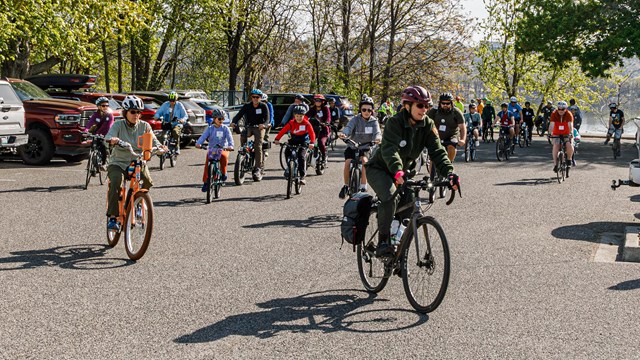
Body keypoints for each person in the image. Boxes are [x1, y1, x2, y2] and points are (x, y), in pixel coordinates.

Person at [366, 86, 457, 257]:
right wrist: (397, 170)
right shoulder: (394, 122)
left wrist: (449, 173)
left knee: (408, 210)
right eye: (420, 106)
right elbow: (389, 150)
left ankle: (399, 252)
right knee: (390, 197)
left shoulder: (428, 124)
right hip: (381, 169)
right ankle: (383, 242)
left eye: (427, 106)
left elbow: (437, 151)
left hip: (405, 172)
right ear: (407, 106)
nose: (424, 110)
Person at [104, 95, 166, 231]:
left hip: (137, 162)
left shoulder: (145, 126)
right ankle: (113, 218)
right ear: (125, 112)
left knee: (147, 181)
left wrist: (161, 148)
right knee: (115, 182)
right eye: (133, 112)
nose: (136, 115)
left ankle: (138, 201)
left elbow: (154, 141)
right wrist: (112, 140)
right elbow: (108, 137)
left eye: (138, 112)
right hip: (118, 162)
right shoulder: (118, 125)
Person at [338, 95, 381, 198]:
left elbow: (377, 132)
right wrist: (344, 134)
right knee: (348, 163)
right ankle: (346, 186)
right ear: (360, 110)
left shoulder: (374, 121)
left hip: (365, 147)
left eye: (369, 110)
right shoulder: (355, 119)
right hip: (352, 146)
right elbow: (348, 128)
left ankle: (363, 185)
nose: (366, 112)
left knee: (365, 161)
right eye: (364, 109)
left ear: (372, 111)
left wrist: (378, 138)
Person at [230, 89, 270, 179]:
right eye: (253, 97)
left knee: (258, 146)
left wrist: (264, 125)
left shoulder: (263, 106)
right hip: (249, 126)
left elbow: (267, 119)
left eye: (257, 97)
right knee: (243, 135)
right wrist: (234, 122)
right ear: (251, 97)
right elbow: (239, 115)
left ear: (260, 98)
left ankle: (258, 168)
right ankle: (243, 154)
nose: (255, 99)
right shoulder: (247, 106)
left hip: (259, 127)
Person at [274, 105, 316, 185]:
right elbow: (283, 130)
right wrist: (277, 139)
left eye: (301, 116)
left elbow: (312, 133)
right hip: (293, 140)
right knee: (287, 152)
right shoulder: (291, 123)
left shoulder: (307, 123)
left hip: (304, 140)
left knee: (301, 156)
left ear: (304, 116)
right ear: (294, 116)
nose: (299, 118)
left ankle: (302, 176)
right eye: (297, 116)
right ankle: (289, 168)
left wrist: (312, 142)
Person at [195, 106, 234, 191]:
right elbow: (203, 137)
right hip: (212, 149)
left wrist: (230, 146)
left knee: (223, 157)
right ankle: (206, 182)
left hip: (223, 148)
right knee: (207, 163)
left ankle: (224, 173)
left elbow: (230, 138)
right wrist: (198, 143)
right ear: (214, 119)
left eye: (222, 119)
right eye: (219, 119)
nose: (221, 121)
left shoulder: (225, 128)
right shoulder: (210, 128)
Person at [427, 92, 466, 162]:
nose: (445, 105)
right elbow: (425, 124)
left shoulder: (456, 112)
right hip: (436, 135)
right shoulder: (434, 111)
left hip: (452, 135)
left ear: (451, 103)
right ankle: (432, 172)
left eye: (448, 103)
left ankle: (448, 165)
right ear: (440, 103)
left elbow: (462, 127)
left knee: (451, 146)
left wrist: (463, 139)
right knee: (433, 158)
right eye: (443, 103)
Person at [84, 96, 115, 171]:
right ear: (98, 106)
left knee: (103, 147)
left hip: (105, 134)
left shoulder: (109, 115)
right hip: (96, 134)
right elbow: (90, 124)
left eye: (107, 105)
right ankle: (91, 163)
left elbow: (109, 126)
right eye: (103, 105)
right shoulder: (95, 115)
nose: (105, 107)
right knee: (93, 145)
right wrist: (86, 131)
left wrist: (106, 135)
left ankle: (104, 163)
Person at [548, 101, 574, 173]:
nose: (561, 111)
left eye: (563, 109)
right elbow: (551, 125)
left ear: (566, 109)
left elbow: (570, 125)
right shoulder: (554, 113)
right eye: (559, 109)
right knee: (556, 145)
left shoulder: (569, 114)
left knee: (569, 145)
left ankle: (569, 160)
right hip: (557, 133)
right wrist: (549, 133)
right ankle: (555, 165)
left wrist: (571, 133)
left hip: (567, 133)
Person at [306, 94, 332, 165]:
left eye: (319, 100)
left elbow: (328, 117)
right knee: (306, 141)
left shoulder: (326, 108)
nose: (317, 102)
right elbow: (306, 116)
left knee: (321, 142)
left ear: (322, 101)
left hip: (323, 129)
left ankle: (324, 156)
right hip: (314, 129)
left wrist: (326, 122)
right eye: (316, 100)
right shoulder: (313, 108)